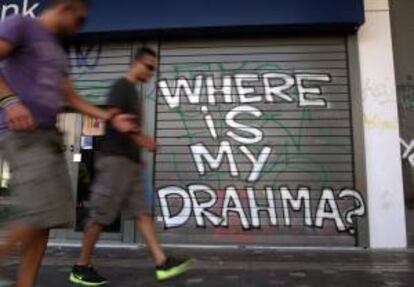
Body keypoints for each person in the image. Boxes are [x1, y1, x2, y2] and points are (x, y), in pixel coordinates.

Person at [0, 1, 137, 286]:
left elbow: (71, 99)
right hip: (23, 132)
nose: (80, 27)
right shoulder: (21, 24)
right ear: (65, 7)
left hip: (49, 136)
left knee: (45, 219)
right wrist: (10, 101)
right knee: (38, 211)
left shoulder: (59, 51)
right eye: (80, 20)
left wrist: (110, 118)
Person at [69, 47, 192, 286]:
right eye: (148, 66)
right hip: (115, 161)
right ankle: (81, 266)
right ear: (135, 63)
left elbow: (125, 126)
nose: (150, 72)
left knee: (142, 213)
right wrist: (142, 139)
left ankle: (161, 262)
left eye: (153, 69)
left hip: (130, 163)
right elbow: (115, 120)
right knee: (101, 215)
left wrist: (140, 153)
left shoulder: (133, 93)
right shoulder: (122, 87)